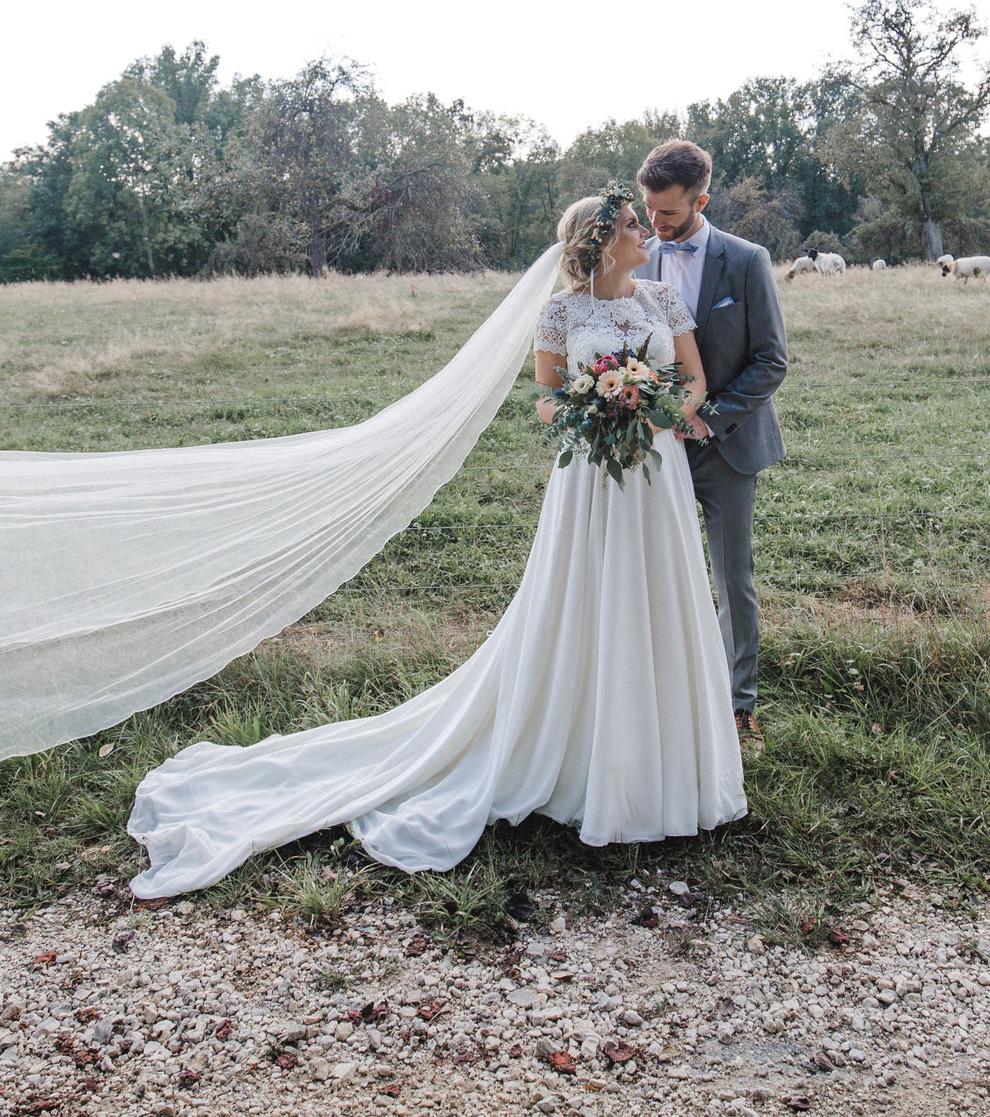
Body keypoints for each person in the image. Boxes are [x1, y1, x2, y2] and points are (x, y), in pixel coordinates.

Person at [122, 186, 746, 894]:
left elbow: (692, 381)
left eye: (640, 222)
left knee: (657, 602)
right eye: (632, 224)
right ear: (601, 241)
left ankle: (669, 774)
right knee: (589, 602)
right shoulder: (562, 312)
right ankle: (581, 760)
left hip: (654, 473)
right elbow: (545, 397)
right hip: (592, 481)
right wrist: (595, 406)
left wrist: (653, 407)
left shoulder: (662, 301)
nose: (644, 231)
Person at [631, 139, 789, 743]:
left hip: (727, 445)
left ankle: (736, 703)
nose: (655, 224)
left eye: (668, 213)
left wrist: (708, 417)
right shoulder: (634, 257)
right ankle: (664, 694)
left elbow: (771, 360)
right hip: (652, 449)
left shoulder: (746, 261)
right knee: (653, 574)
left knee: (732, 579)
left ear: (701, 200)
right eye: (649, 210)